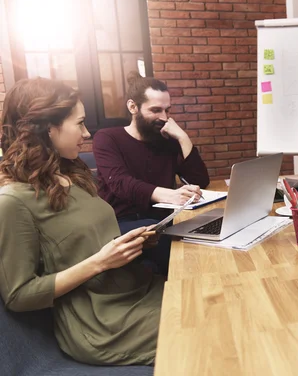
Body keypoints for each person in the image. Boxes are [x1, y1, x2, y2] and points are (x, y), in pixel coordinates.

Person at [0, 78, 164, 364]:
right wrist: (100, 262)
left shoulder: (73, 175)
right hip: (101, 322)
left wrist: (132, 243)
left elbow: (90, 241)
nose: (87, 133)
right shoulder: (13, 202)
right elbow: (19, 295)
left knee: (211, 298)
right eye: (80, 123)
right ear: (48, 128)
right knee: (203, 324)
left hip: (133, 290)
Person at [93, 72, 210, 274]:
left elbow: (200, 180)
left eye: (167, 110)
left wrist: (183, 137)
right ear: (132, 107)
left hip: (164, 220)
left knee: (206, 225)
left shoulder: (167, 139)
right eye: (155, 110)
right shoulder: (107, 138)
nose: (163, 118)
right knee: (168, 237)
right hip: (121, 222)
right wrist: (170, 194)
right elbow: (120, 183)